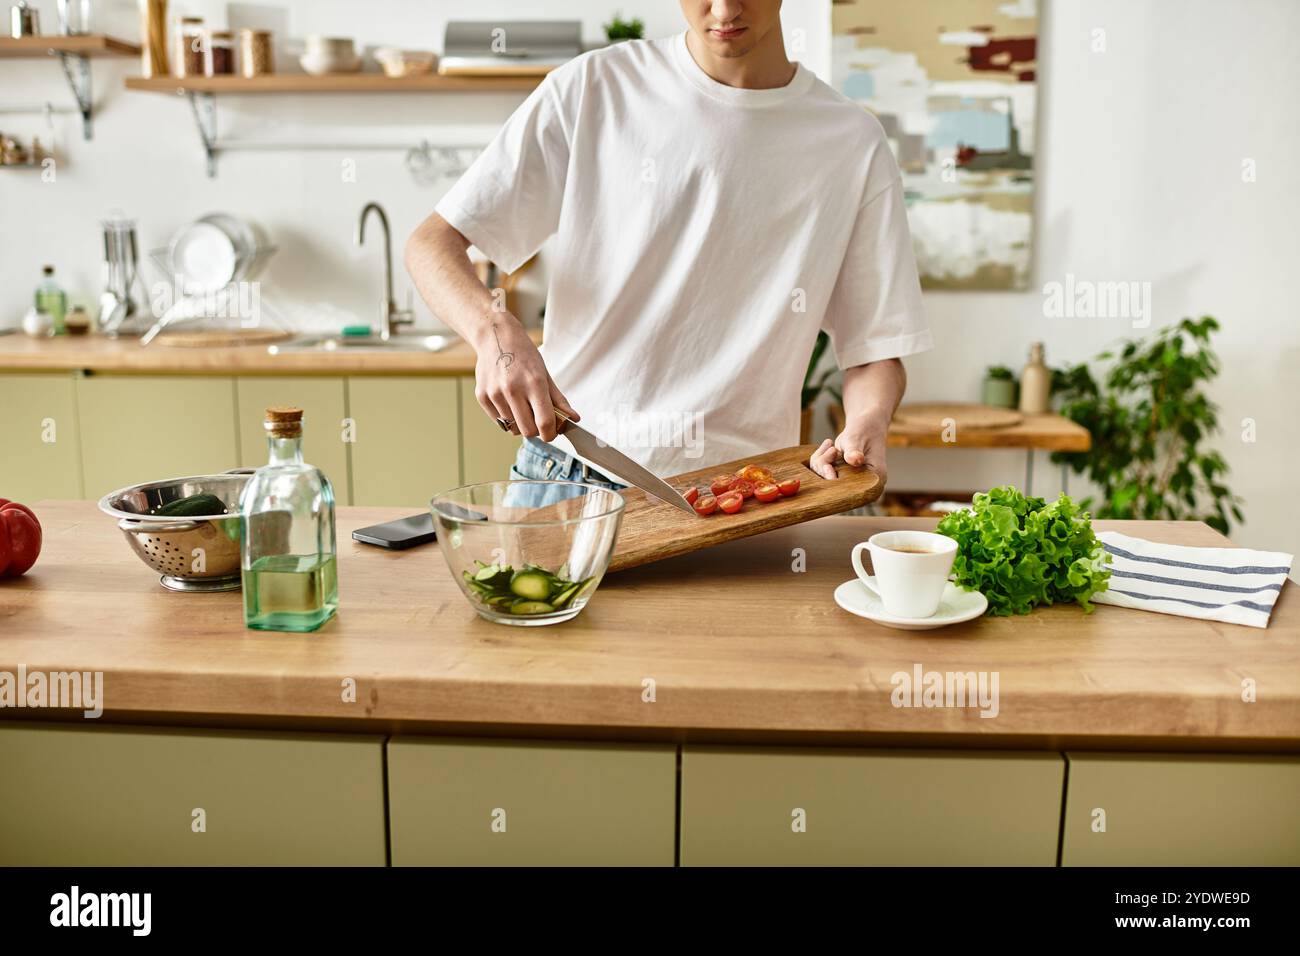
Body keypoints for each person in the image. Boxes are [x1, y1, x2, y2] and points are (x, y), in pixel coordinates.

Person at [406, 1, 931, 505]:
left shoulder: (852, 142)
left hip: (747, 498)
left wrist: (868, 422)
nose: (724, 11)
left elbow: (875, 349)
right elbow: (432, 244)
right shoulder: (594, 88)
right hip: (570, 478)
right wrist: (495, 332)